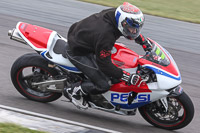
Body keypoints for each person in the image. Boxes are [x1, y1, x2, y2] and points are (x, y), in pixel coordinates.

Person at [64, 2, 152, 109]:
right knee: (103, 84)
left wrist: (143, 42)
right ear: (122, 23)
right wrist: (126, 76)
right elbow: (105, 65)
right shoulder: (106, 36)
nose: (134, 31)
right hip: (78, 51)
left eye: (136, 28)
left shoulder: (115, 14)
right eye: (132, 28)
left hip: (84, 36)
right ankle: (74, 91)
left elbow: (131, 31)